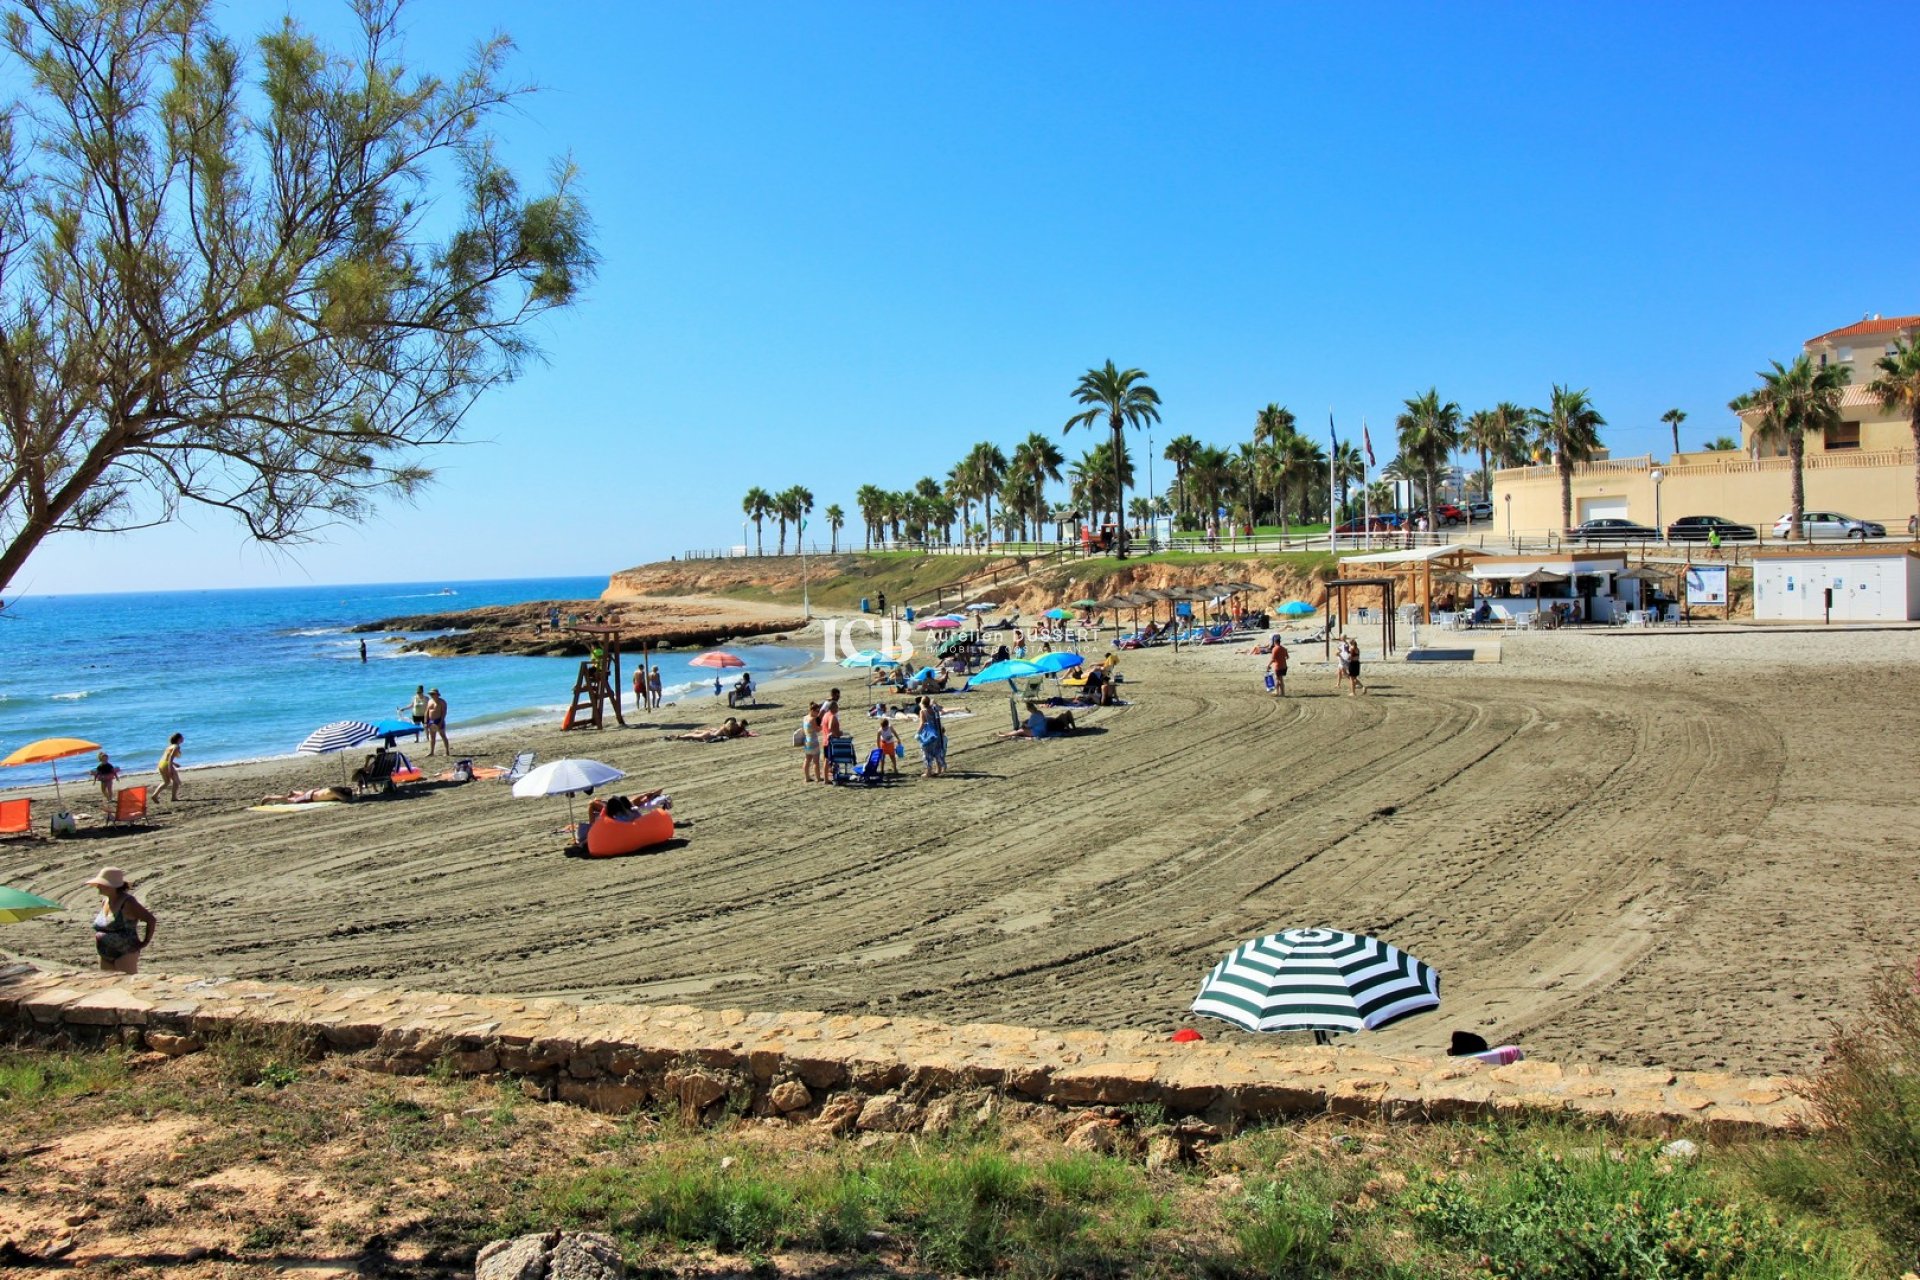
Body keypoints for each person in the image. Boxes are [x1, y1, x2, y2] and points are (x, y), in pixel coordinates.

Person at [87, 866, 156, 975]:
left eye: (101, 884)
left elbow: (150, 919)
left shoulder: (128, 903)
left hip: (125, 953)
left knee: (126, 985)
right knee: (107, 986)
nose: (98, 886)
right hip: (105, 953)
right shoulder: (105, 901)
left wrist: (145, 942)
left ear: (111, 886)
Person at [917, 695, 946, 777]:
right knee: (937, 751)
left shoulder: (923, 711)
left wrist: (918, 733)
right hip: (937, 732)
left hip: (929, 734)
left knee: (927, 753)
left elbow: (922, 723)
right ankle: (939, 769)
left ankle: (929, 771)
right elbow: (941, 709)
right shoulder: (934, 709)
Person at [667, 719, 750, 742]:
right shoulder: (728, 727)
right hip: (710, 735)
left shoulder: (734, 727)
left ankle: (678, 736)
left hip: (711, 733)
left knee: (694, 735)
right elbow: (727, 733)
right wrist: (735, 736)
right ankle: (678, 737)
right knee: (693, 736)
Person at [156, 733, 184, 802]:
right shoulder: (176, 746)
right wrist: (170, 768)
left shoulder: (170, 746)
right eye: (182, 737)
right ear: (178, 739)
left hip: (161, 764)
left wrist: (174, 764)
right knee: (177, 782)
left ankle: (154, 795)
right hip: (166, 765)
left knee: (166, 782)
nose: (183, 738)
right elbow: (171, 757)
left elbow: (167, 757)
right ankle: (174, 797)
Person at [260, 785, 354, 805]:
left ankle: (294, 792)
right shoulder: (335, 792)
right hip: (310, 797)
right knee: (289, 800)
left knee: (301, 795)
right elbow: (345, 799)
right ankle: (269, 797)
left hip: (312, 793)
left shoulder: (336, 789)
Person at [424, 688, 450, 756]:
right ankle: (432, 752)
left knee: (443, 735)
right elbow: (427, 711)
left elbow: (444, 713)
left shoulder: (442, 702)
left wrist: (441, 722)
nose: (431, 695)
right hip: (431, 721)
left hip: (439, 720)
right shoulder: (430, 701)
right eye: (430, 694)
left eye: (433, 694)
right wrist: (425, 722)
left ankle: (447, 751)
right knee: (432, 737)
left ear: (437, 694)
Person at [801, 703, 823, 781]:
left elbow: (803, 730)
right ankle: (818, 778)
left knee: (807, 759)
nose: (818, 713)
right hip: (813, 741)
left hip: (806, 741)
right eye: (817, 711)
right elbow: (817, 730)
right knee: (816, 761)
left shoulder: (805, 718)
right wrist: (823, 725)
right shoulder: (812, 719)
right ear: (812, 710)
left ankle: (807, 777)